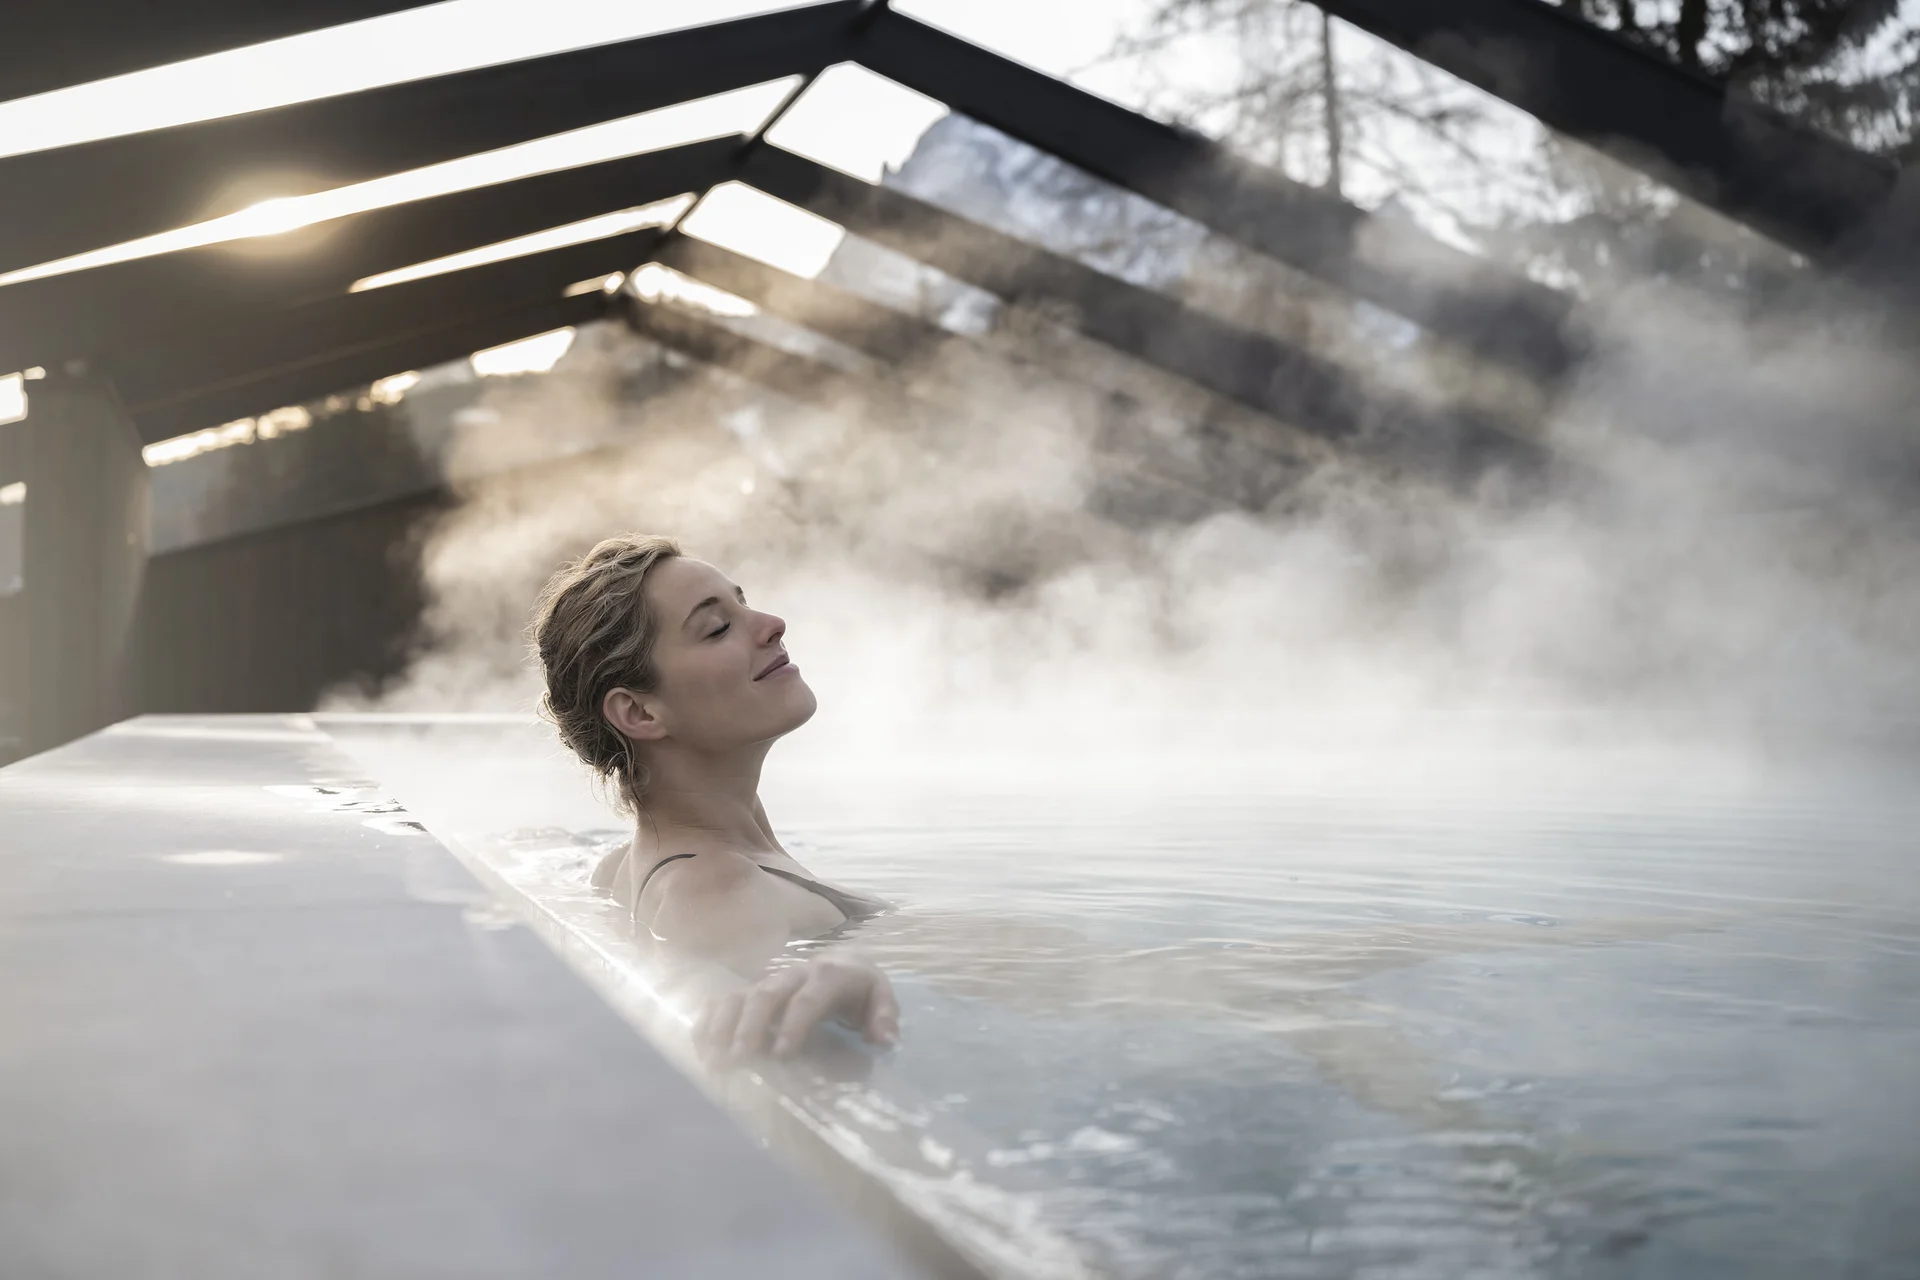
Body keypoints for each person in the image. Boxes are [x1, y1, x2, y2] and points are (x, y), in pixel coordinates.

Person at [531, 534, 898, 1064]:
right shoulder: (715, 891)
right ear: (639, 713)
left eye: (744, 603)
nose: (772, 624)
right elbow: (736, 1035)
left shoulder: (622, 867)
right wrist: (837, 981)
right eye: (717, 627)